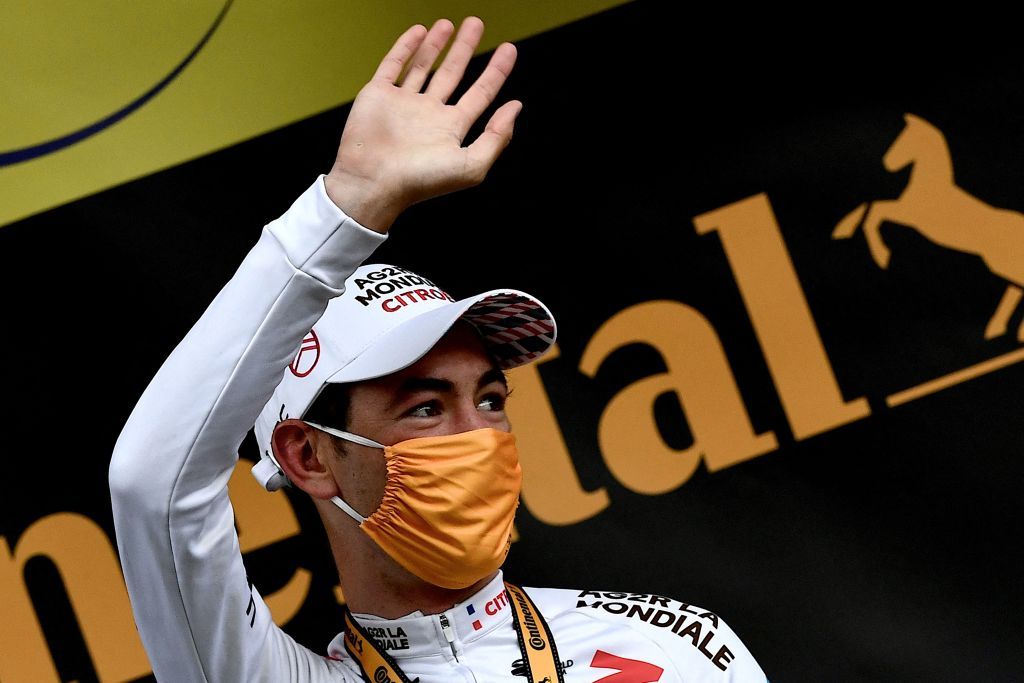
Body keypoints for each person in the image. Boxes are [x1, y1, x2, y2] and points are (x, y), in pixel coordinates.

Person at [109, 16, 768, 682]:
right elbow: (153, 487)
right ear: (307, 455)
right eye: (425, 407)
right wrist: (347, 209)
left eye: (489, 398)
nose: (478, 437)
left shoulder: (676, 645)